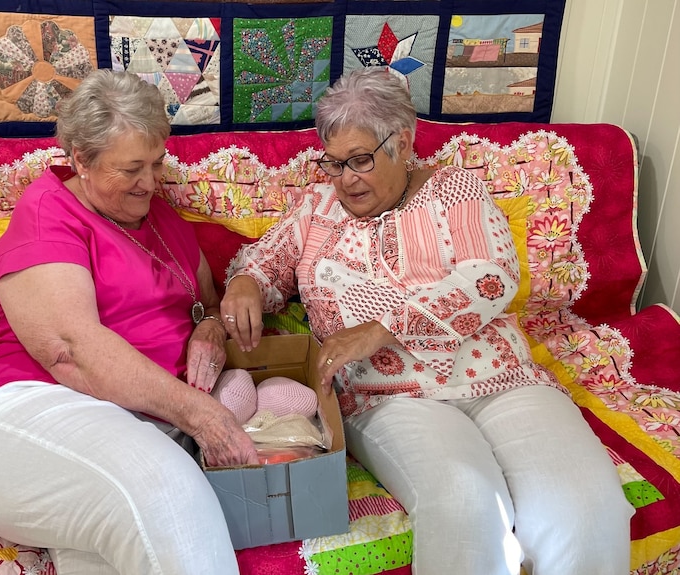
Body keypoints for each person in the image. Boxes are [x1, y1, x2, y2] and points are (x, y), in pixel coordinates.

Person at [220, 67, 633, 575]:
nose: (346, 177)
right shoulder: (316, 208)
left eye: (362, 159)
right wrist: (246, 282)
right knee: (465, 504)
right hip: (388, 397)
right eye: (334, 162)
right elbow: (263, 265)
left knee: (587, 504)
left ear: (405, 142)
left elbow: (490, 278)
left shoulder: (455, 190)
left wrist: (383, 326)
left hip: (502, 380)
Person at [0, 69, 258, 575]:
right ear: (81, 160)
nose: (150, 182)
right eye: (132, 168)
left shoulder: (160, 216)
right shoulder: (50, 211)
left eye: (157, 163)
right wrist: (200, 414)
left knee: (113, 551)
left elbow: (210, 302)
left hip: (129, 421)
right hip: (22, 409)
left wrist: (211, 326)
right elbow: (72, 349)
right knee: (167, 488)